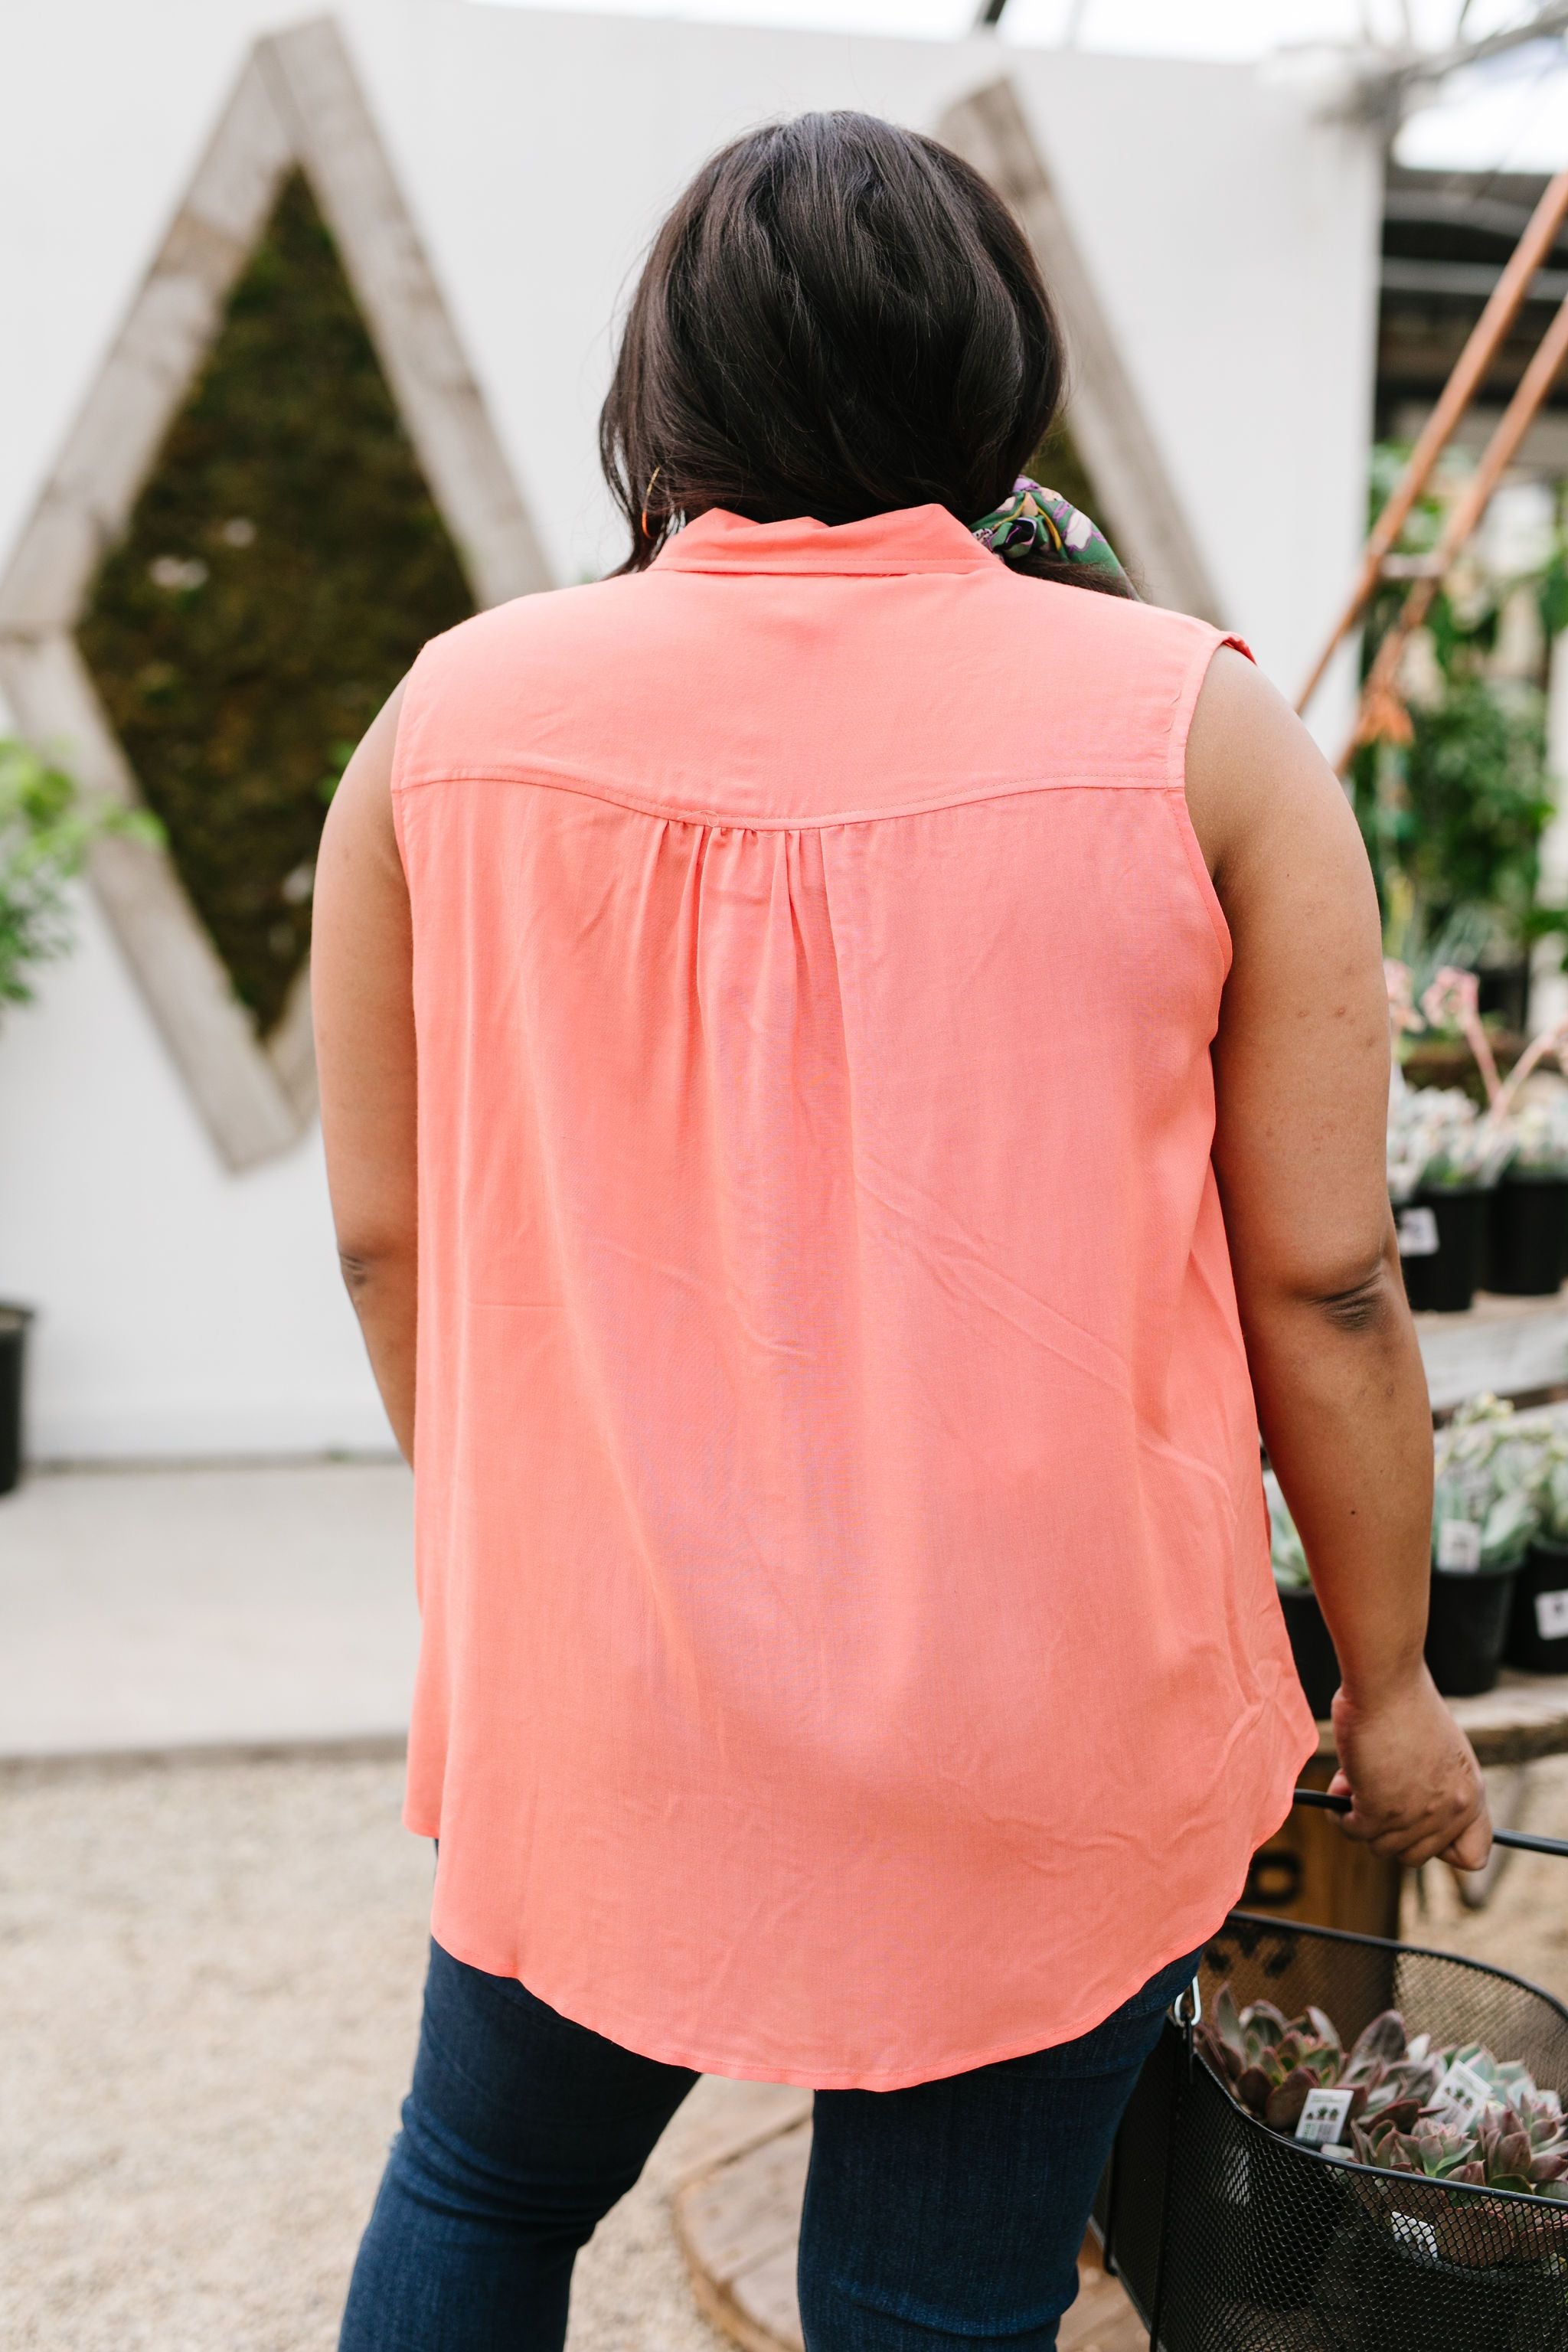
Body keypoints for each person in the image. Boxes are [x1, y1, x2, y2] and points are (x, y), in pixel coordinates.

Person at [313, 110, 1490, 2352]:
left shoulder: (442, 728)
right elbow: (1325, 1283)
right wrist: (1399, 1679)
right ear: (998, 383)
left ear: (662, 395)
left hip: (611, 1676)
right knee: (929, 2309)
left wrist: (540, 1566)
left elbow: (391, 1243)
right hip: (1034, 1721)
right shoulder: (1205, 732)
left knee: (480, 2190)